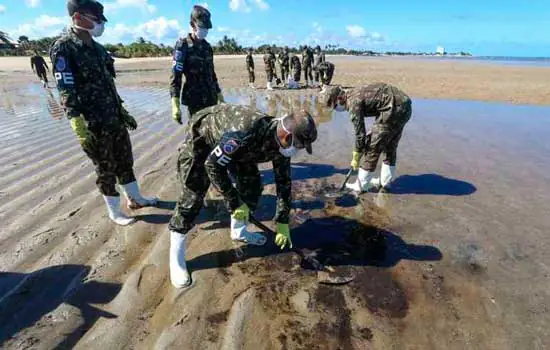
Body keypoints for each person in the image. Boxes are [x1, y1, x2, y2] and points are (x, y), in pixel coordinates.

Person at [168, 104, 318, 288]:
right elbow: (212, 166)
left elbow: (283, 182)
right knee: (192, 195)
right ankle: (175, 258)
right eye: (300, 145)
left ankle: (238, 231)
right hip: (205, 136)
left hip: (242, 150)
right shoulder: (243, 133)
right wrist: (235, 202)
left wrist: (283, 221)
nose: (299, 150)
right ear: (287, 137)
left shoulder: (281, 145)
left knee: (252, 186)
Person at [50, 0, 158, 226]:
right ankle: (115, 211)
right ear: (78, 17)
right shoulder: (64, 48)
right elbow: (65, 87)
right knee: (105, 167)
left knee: (125, 160)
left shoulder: (99, 49)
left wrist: (122, 110)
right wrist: (76, 122)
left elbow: (109, 84)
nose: (100, 24)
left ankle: (135, 199)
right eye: (96, 18)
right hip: (92, 122)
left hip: (113, 116)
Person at [322, 83, 412, 192]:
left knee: (372, 147)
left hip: (393, 107)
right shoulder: (353, 93)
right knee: (390, 145)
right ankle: (385, 181)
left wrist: (356, 154)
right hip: (404, 104)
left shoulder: (353, 104)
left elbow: (360, 134)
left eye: (335, 106)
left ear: (340, 98)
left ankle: (362, 185)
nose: (337, 109)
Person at [170, 5, 224, 124]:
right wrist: (175, 104)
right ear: (192, 24)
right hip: (195, 101)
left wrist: (219, 94)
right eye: (202, 27)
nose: (204, 30)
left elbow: (212, 74)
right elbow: (176, 77)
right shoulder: (182, 46)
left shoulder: (207, 47)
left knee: (213, 133)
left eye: (206, 28)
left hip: (212, 98)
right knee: (197, 136)